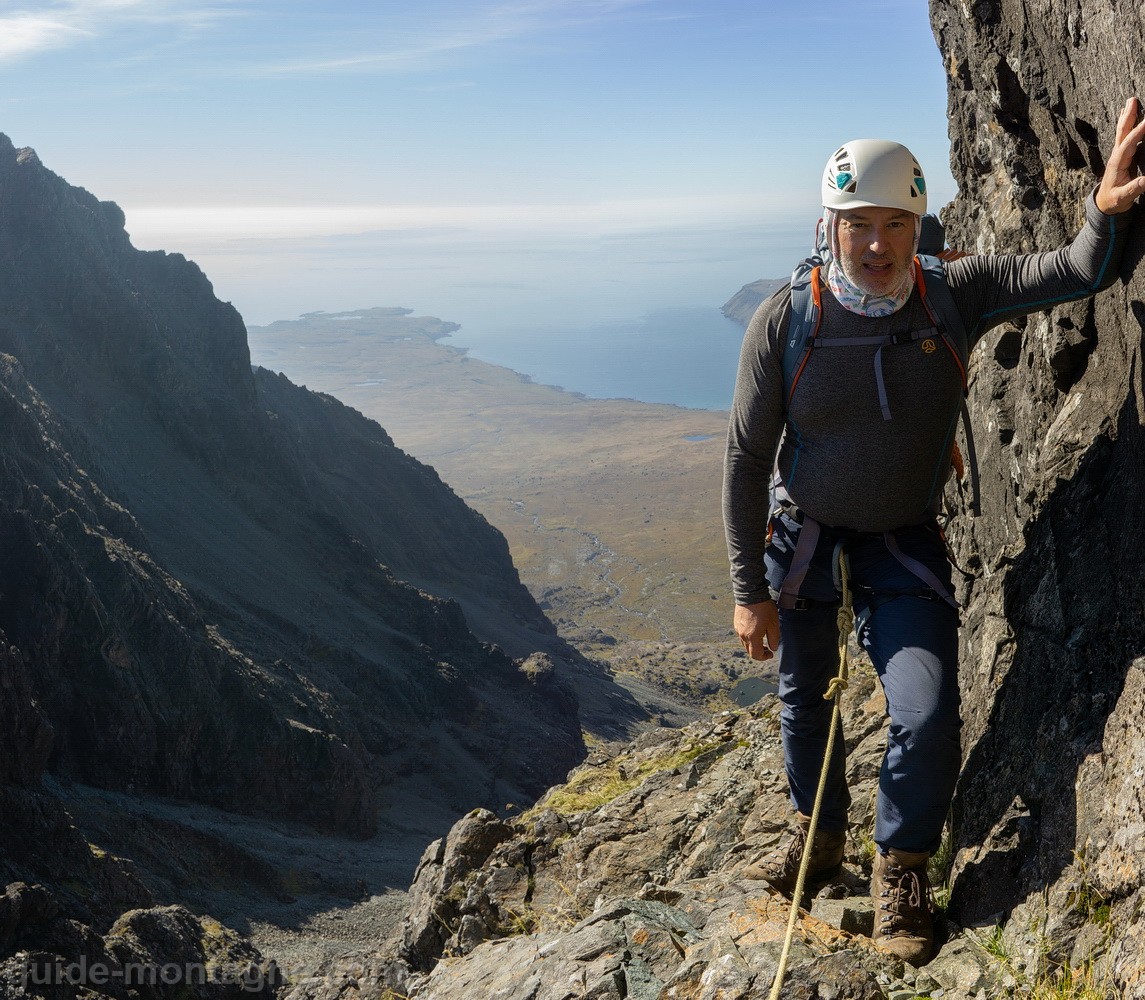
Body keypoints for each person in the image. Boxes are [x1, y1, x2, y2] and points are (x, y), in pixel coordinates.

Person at [723, 97, 1145, 966]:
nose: (877, 246)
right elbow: (741, 458)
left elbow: (1074, 272)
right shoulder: (787, 320)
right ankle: (819, 835)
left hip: (899, 540)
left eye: (895, 224)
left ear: (920, 224)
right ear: (827, 226)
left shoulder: (952, 295)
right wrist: (746, 592)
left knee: (924, 707)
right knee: (805, 701)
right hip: (802, 534)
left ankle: (901, 866)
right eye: (857, 226)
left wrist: (1105, 212)